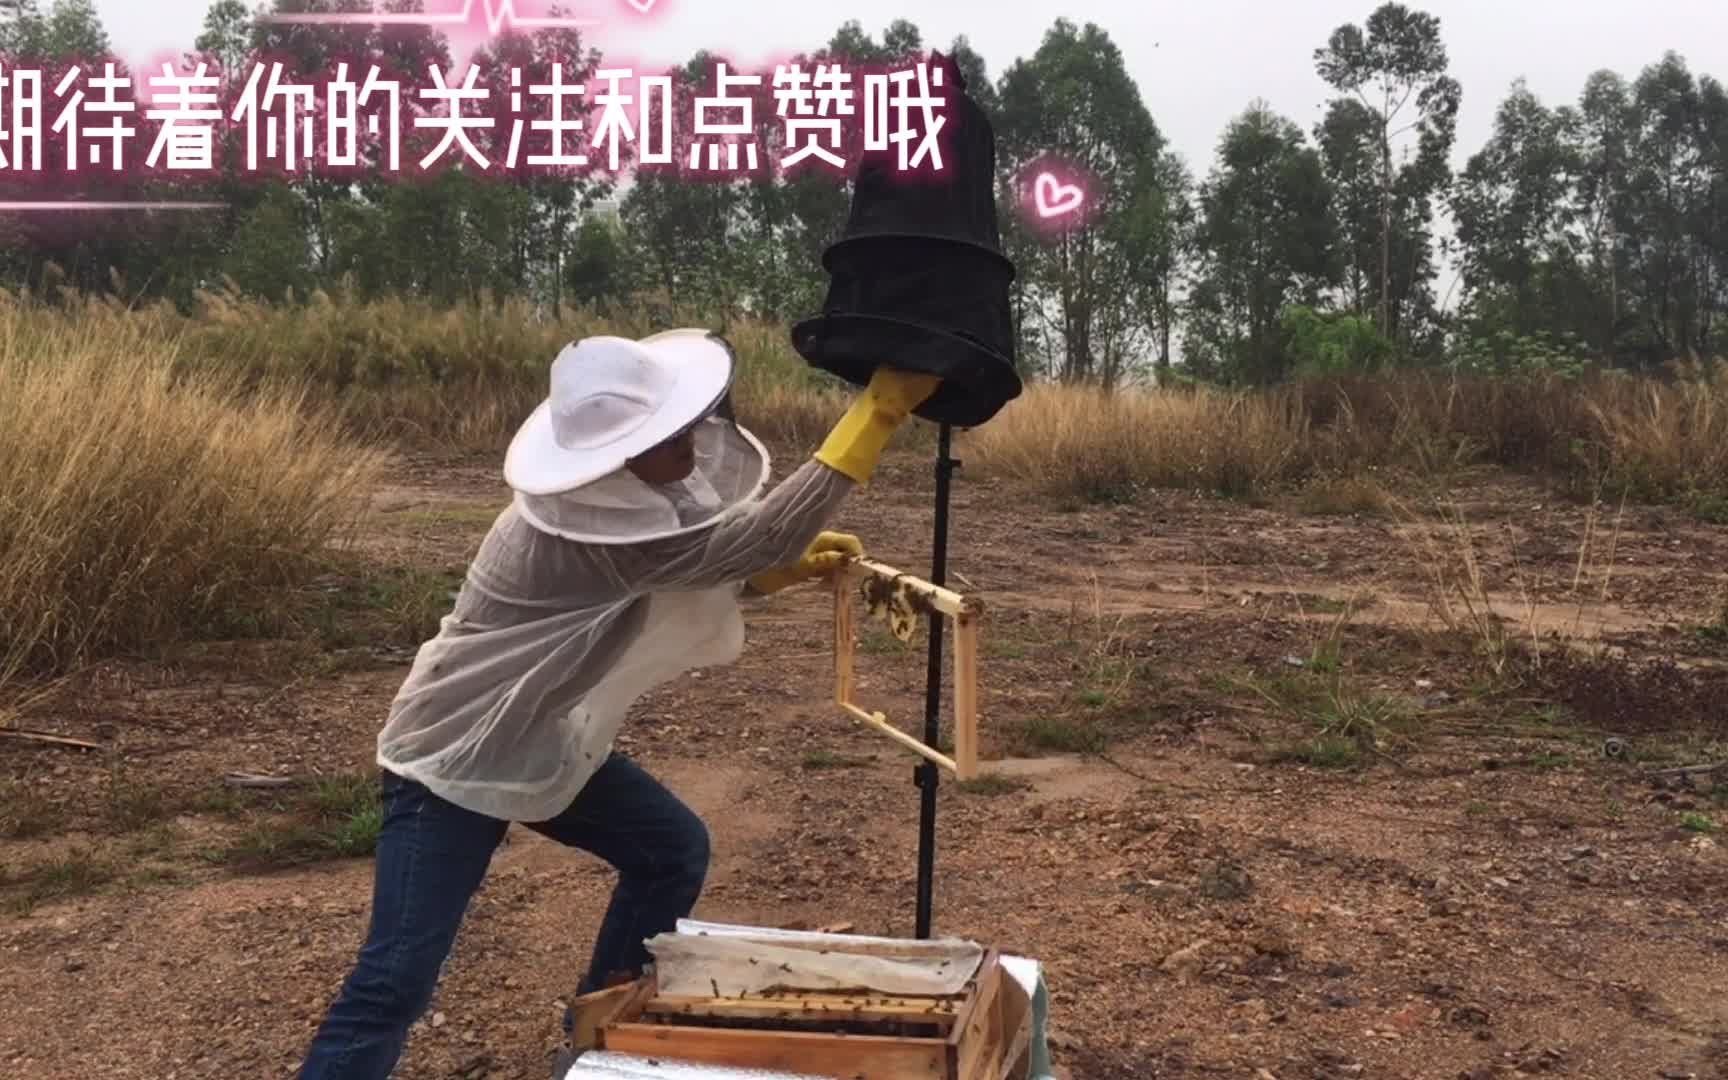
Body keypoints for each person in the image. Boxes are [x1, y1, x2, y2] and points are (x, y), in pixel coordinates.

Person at [297, 328, 940, 1079]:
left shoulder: (635, 505)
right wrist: (879, 412)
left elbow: (683, 573)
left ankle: (598, 1044)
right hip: (455, 752)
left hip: (536, 736)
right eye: (662, 441)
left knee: (670, 852)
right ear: (609, 463)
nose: (688, 448)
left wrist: (772, 580)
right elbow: (753, 538)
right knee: (395, 981)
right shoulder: (584, 530)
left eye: (682, 429)